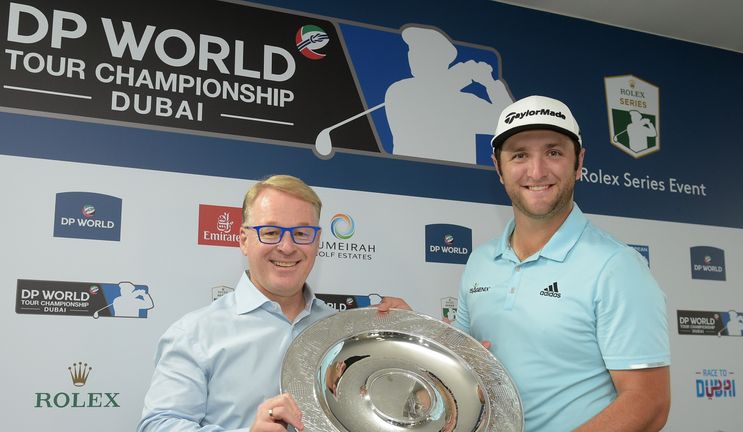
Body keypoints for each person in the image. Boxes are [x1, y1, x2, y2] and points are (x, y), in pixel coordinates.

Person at [454, 96, 671, 431]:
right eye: (520, 155)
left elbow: (649, 403)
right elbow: (461, 370)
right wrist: (409, 334)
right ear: (498, 167)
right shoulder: (480, 261)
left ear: (578, 161)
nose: (537, 171)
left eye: (554, 152)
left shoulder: (616, 266)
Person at [138, 174, 407, 432]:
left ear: (317, 241)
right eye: (271, 232)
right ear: (244, 240)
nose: (287, 247)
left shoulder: (345, 333)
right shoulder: (195, 334)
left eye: (302, 233)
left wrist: (402, 348)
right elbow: (158, 426)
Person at [385, 26, 512, 164]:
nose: (413, 56)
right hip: (408, 175)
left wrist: (490, 83)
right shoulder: (400, 90)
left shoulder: (465, 101)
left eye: (422, 52)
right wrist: (464, 74)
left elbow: (508, 123)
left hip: (456, 180)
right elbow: (430, 94)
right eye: (412, 50)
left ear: (442, 60)